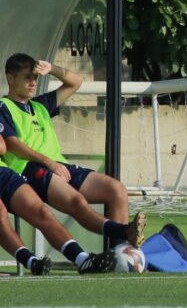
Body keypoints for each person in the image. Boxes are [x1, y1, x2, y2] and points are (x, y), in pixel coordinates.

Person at [0, 54, 146, 250]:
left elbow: (75, 82)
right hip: (32, 168)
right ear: (10, 78)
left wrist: (51, 69)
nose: (33, 83)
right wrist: (49, 163)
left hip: (59, 165)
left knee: (116, 190)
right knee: (76, 200)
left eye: (35, 78)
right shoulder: (4, 106)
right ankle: (122, 232)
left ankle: (121, 254)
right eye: (27, 77)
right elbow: (12, 144)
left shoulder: (40, 105)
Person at [0, 135, 115, 274]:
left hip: (3, 171)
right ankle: (30, 261)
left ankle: (82, 259)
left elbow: (2, 147)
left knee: (41, 211)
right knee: (1, 212)